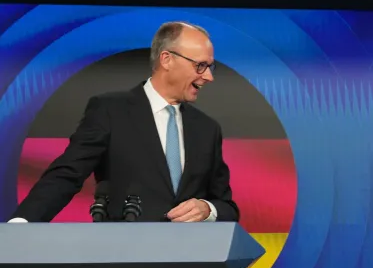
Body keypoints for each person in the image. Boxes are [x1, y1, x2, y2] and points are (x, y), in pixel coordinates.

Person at [8, 21, 238, 223]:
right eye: (200, 66)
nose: (208, 76)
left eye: (210, 67)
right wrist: (24, 222)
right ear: (167, 59)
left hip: (193, 256)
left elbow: (227, 206)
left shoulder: (207, 129)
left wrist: (208, 209)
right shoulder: (110, 111)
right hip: (123, 254)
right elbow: (67, 174)